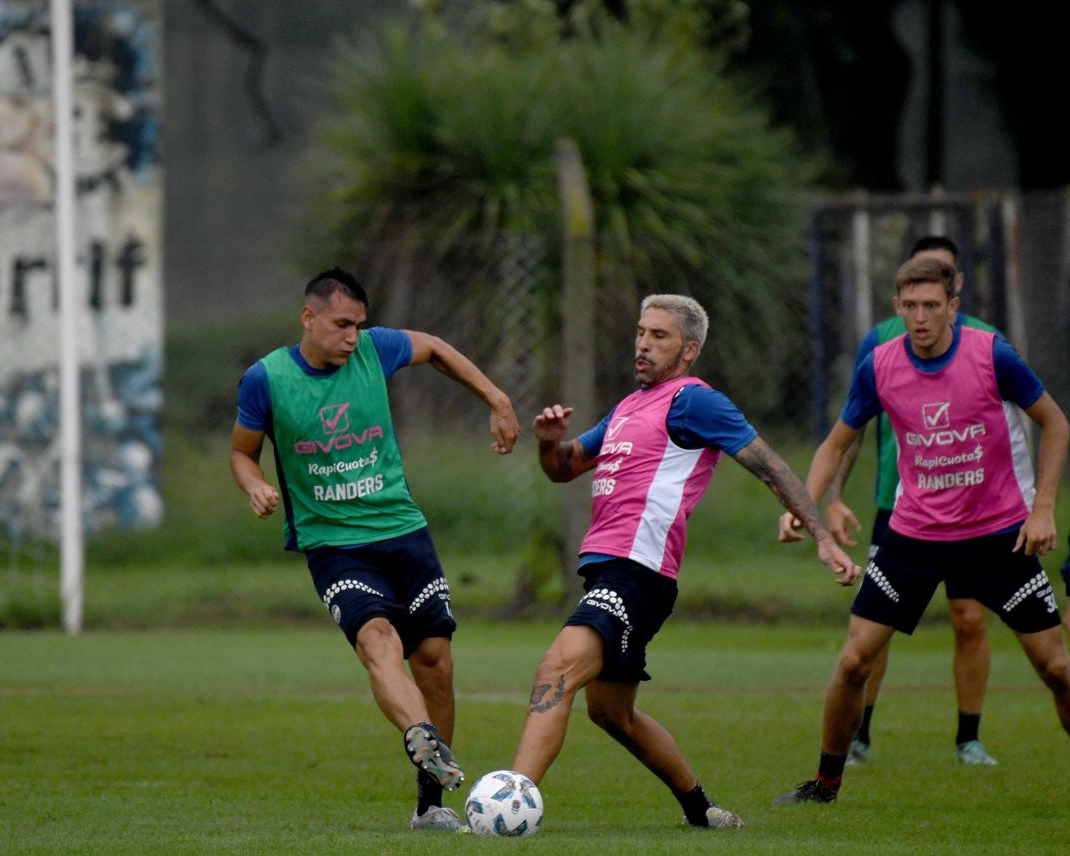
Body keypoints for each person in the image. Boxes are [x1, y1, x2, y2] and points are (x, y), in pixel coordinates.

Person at [509, 294, 859, 830]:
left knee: (556, 668)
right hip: (610, 569)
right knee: (611, 712)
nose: (643, 344)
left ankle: (510, 805)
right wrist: (547, 444)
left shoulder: (694, 401)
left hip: (638, 571)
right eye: (641, 332)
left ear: (689, 350)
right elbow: (565, 466)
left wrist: (821, 536)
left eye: (659, 336)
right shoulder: (628, 407)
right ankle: (703, 811)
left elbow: (769, 466)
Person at [229, 267, 520, 832]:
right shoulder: (266, 378)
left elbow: (435, 348)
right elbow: (242, 452)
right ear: (308, 317)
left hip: (403, 530)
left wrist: (497, 397)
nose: (352, 337)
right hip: (334, 544)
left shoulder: (374, 350)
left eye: (359, 325)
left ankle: (430, 805)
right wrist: (255, 485)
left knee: (434, 659)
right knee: (377, 639)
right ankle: (419, 732)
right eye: (342, 324)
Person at [775, 255, 1070, 805]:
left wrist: (1044, 507)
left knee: (1056, 668)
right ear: (896, 307)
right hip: (913, 537)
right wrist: (802, 504)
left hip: (996, 535)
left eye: (931, 305)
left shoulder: (992, 354)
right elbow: (836, 444)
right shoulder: (879, 365)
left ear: (953, 306)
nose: (920, 317)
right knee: (854, 660)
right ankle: (824, 784)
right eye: (909, 306)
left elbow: (1055, 422)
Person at [823, 235, 1006, 766]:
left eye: (936, 288)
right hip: (899, 508)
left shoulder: (987, 342)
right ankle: (859, 736)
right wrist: (834, 496)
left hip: (972, 515)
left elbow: (1014, 427)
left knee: (969, 617)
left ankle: (969, 739)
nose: (922, 311)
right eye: (912, 298)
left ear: (955, 290)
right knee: (872, 633)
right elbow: (852, 427)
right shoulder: (880, 342)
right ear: (900, 297)